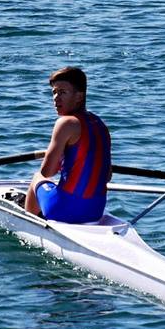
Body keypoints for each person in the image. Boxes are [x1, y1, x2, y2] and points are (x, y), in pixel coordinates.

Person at [25, 67, 112, 223]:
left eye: (63, 92)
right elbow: (107, 176)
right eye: (54, 92)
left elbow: (47, 172)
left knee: (37, 178)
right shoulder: (100, 124)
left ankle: (30, 225)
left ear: (79, 96)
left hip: (63, 210)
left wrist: (56, 156)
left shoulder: (65, 123)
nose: (56, 98)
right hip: (96, 211)